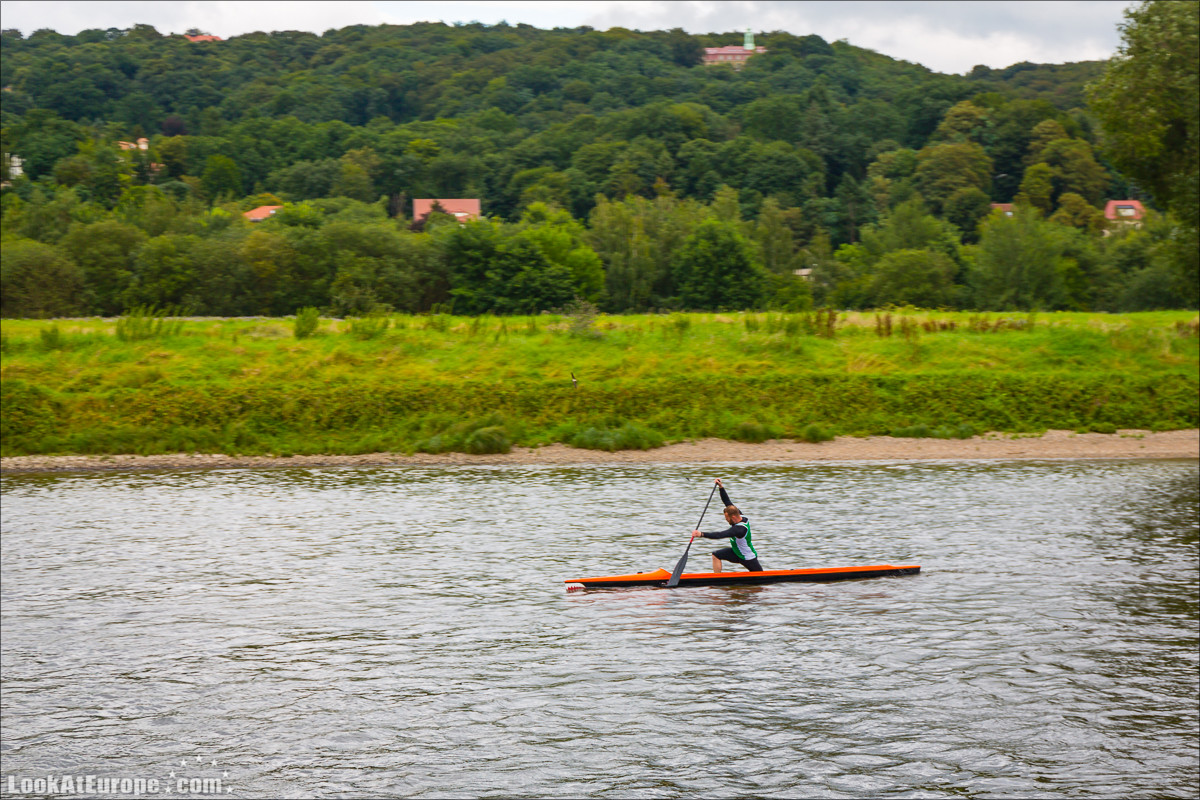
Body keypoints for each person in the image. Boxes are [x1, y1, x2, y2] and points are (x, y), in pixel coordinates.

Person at [691, 478, 762, 573]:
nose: (726, 520)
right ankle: (717, 579)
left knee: (760, 577)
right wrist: (721, 487)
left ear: (733, 517)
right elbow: (727, 501)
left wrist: (701, 534)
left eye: (726, 518)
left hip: (747, 557)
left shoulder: (739, 529)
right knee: (716, 555)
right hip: (736, 552)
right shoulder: (739, 515)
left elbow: (720, 535)